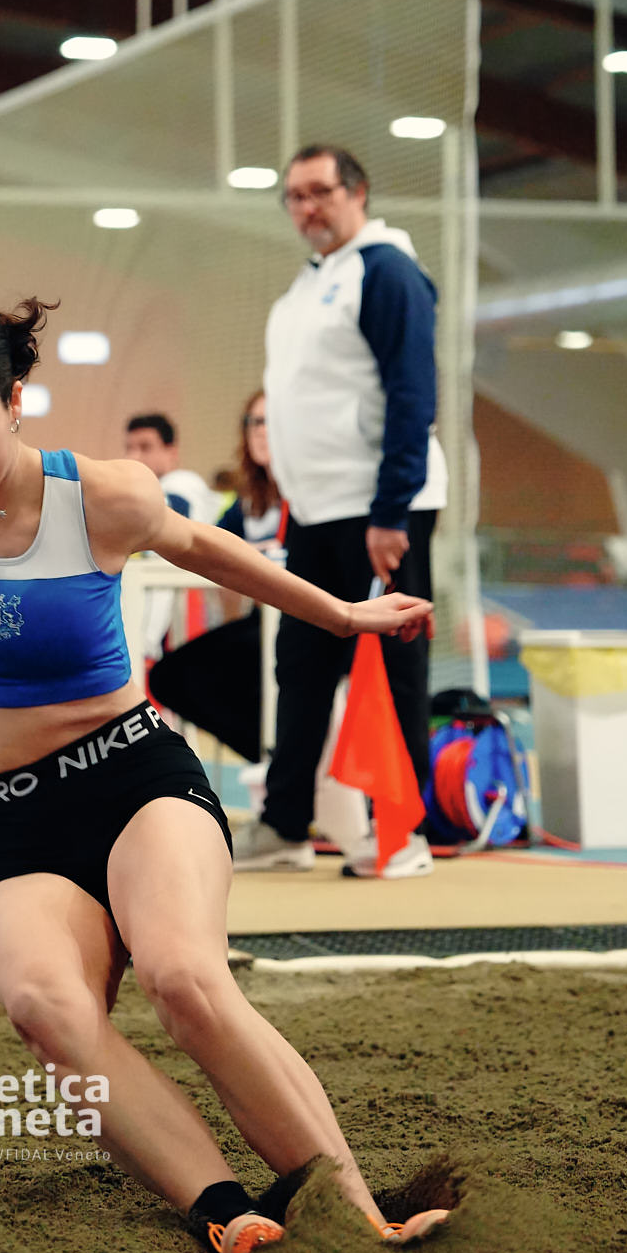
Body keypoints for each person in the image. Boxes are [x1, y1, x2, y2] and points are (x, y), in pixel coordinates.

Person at [0, 44, 449, 1253]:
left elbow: (214, 549)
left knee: (182, 976)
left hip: (133, 777)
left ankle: (355, 1208)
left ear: (14, 397)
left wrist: (341, 613)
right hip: (15, 812)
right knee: (43, 1005)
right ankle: (218, 1203)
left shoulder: (100, 495)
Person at [235, 145, 446, 881]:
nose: (306, 208)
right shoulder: (306, 285)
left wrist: (390, 511)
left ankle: (400, 833)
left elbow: (413, 395)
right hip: (317, 511)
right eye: (294, 196)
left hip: (379, 509)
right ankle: (285, 824)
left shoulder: (386, 272)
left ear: (357, 192)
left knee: (392, 669)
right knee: (299, 666)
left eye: (319, 191)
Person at [146, 391, 282, 761]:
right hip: (261, 623)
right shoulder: (248, 500)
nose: (260, 431)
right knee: (169, 678)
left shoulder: (305, 496)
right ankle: (269, 754)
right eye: (253, 422)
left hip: (305, 625)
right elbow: (213, 545)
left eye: (268, 421)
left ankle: (280, 755)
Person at [122, 414, 221, 660]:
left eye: (145, 447)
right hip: (163, 625)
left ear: (171, 451)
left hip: (184, 621)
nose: (134, 456)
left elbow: (170, 508)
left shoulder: (183, 484)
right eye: (129, 448)